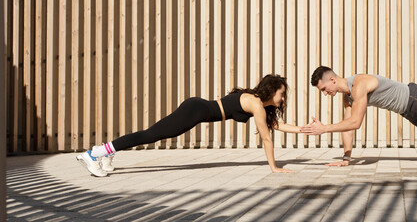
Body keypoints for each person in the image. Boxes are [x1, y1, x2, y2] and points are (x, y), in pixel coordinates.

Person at [77, 74, 301, 177]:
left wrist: (301, 130)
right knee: (150, 135)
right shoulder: (256, 104)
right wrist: (274, 167)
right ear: (272, 91)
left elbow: (276, 125)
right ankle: (95, 153)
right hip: (194, 111)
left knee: (150, 134)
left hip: (197, 107)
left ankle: (106, 154)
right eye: (281, 94)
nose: (282, 99)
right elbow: (267, 138)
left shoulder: (258, 104)